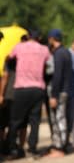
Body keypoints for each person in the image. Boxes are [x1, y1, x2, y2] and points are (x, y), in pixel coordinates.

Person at [5, 30, 50, 159]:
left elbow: (9, 58)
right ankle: (32, 148)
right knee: (35, 121)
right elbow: (49, 65)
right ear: (39, 37)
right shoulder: (44, 49)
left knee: (15, 121)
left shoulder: (19, 47)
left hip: (21, 88)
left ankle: (13, 149)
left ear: (28, 36)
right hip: (38, 88)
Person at [47, 28, 72, 158]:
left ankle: (60, 147)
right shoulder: (66, 51)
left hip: (59, 91)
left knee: (59, 119)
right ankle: (63, 144)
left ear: (52, 39)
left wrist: (54, 95)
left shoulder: (58, 53)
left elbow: (58, 75)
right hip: (66, 90)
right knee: (61, 118)